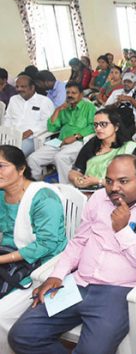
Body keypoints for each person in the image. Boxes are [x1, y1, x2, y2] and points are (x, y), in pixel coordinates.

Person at [8, 155, 136, 354]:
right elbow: (79, 241)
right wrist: (57, 274)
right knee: (22, 336)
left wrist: (123, 231)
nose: (114, 188)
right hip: (78, 283)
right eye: (109, 181)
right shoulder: (99, 199)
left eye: (123, 181)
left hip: (119, 293)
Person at [0, 145, 66, 354]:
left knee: (2, 314)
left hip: (42, 263)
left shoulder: (42, 197)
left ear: (21, 169)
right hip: (9, 254)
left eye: (1, 166)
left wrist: (2, 259)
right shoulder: (1, 195)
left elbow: (46, 244)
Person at [28, 82, 96, 183]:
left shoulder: (89, 107)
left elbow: (93, 126)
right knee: (33, 158)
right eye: (68, 92)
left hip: (79, 142)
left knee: (60, 158)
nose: (70, 95)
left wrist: (75, 137)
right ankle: (36, 185)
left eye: (74, 93)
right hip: (60, 142)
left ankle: (67, 188)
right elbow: (52, 128)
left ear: (81, 94)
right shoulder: (64, 108)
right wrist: (58, 110)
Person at [69, 108, 136, 190]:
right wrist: (77, 180)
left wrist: (98, 181)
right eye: (96, 125)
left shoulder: (130, 148)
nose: (98, 128)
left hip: (119, 195)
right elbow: (74, 171)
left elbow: (132, 182)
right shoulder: (92, 144)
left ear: (116, 127)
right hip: (88, 192)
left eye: (103, 124)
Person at [2, 75, 55, 157]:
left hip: (32, 139)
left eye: (23, 86)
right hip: (12, 136)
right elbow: (8, 118)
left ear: (32, 87)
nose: (19, 89)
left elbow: (48, 122)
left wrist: (31, 131)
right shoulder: (14, 99)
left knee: (13, 156)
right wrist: (6, 132)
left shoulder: (44, 101)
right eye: (17, 86)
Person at [104, 72, 136, 138]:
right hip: (115, 118)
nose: (126, 84)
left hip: (131, 120)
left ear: (135, 84)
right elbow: (106, 108)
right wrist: (116, 104)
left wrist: (130, 99)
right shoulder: (116, 92)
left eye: (129, 82)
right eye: (125, 82)